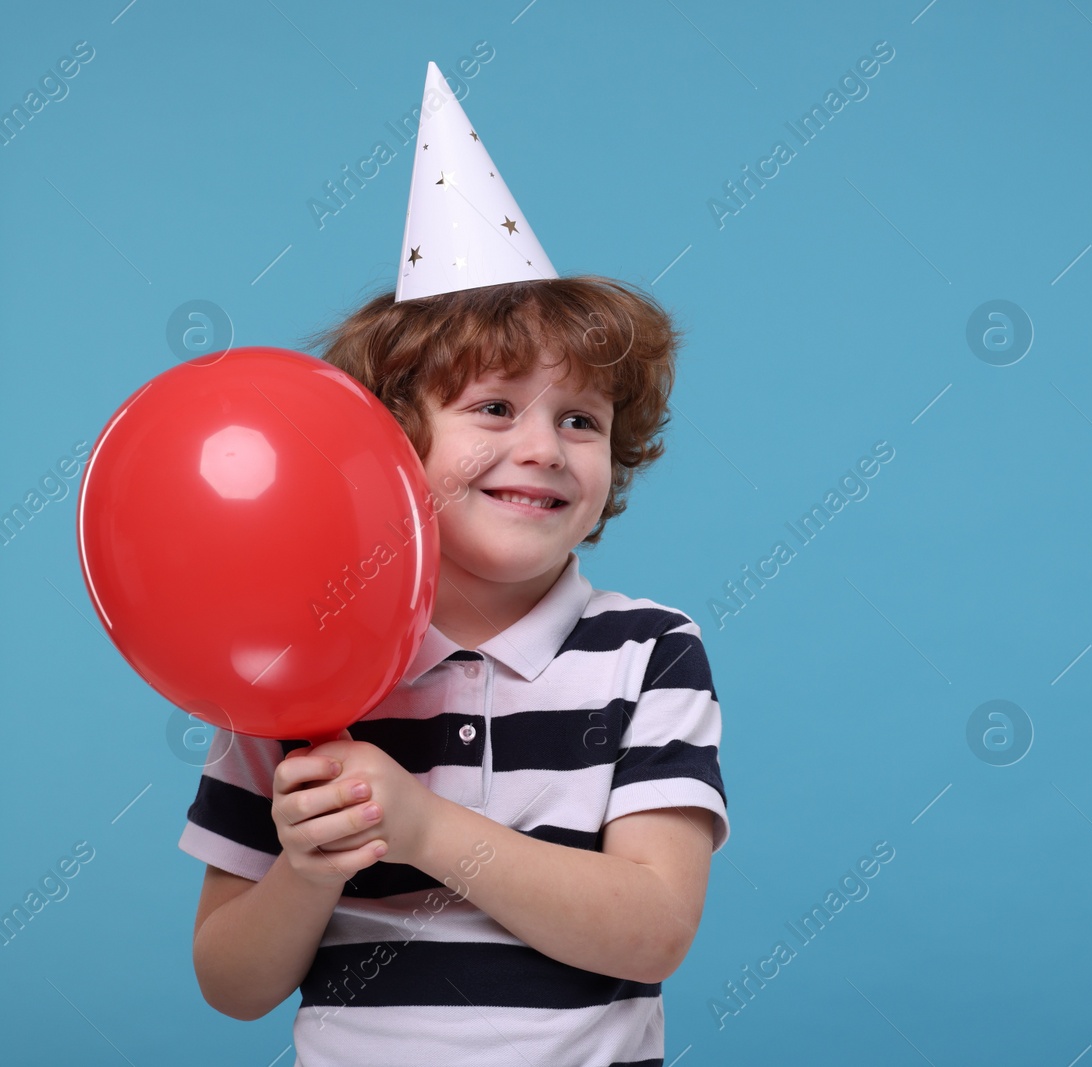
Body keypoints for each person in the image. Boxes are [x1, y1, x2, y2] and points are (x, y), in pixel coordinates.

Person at [176, 60, 729, 1066]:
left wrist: (427, 826)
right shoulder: (288, 669)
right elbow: (231, 984)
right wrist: (306, 868)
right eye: (491, 407)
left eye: (581, 419)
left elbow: (654, 929)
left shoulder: (648, 653)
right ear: (391, 441)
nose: (544, 448)